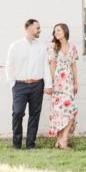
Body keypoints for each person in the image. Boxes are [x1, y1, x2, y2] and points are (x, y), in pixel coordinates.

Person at [5, 18, 50, 149]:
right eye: (38, 28)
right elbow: (9, 65)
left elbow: (45, 67)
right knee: (18, 113)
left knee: (34, 115)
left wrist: (48, 85)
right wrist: (12, 83)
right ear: (29, 28)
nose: (40, 30)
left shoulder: (42, 47)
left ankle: (31, 144)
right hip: (20, 85)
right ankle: (16, 144)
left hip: (37, 85)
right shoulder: (15, 45)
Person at [45, 22, 79, 150]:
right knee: (59, 112)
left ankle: (62, 140)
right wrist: (52, 83)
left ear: (65, 31)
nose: (56, 33)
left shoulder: (72, 47)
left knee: (71, 110)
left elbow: (74, 66)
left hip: (69, 83)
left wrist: (76, 82)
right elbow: (52, 65)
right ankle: (61, 140)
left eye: (58, 30)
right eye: (55, 31)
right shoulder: (53, 46)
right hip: (58, 83)